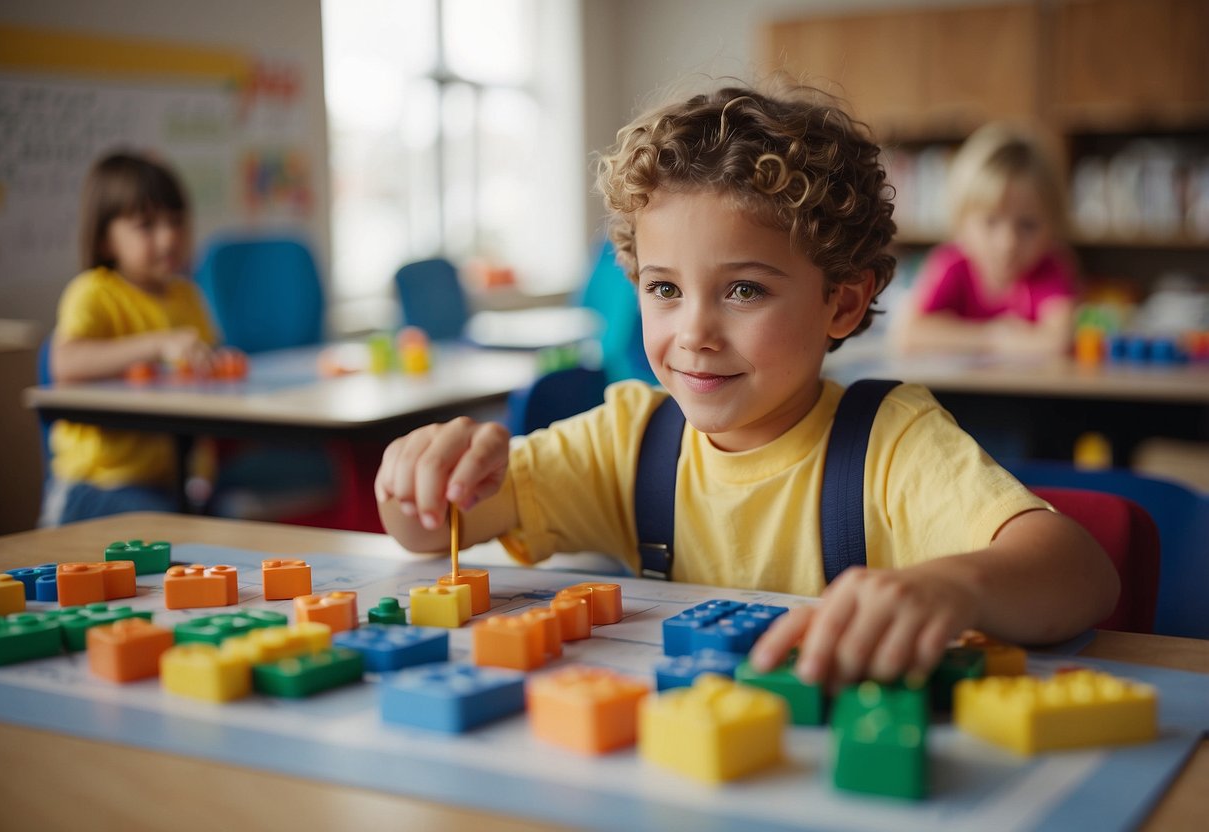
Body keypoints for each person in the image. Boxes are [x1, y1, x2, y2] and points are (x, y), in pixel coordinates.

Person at [375, 81, 1118, 688]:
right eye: (664, 289)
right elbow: (435, 529)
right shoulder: (626, 439)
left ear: (842, 302)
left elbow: (1081, 574)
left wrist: (955, 588)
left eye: (742, 292)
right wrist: (423, 478)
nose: (692, 332)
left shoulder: (889, 443)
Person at [41, 151, 217, 526]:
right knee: (177, 527)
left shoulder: (187, 296)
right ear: (106, 240)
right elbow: (64, 363)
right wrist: (158, 344)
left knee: (230, 525)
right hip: (95, 487)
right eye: (146, 225)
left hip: (175, 483)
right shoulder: (93, 292)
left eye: (176, 222)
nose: (168, 237)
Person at [892, 123, 1078, 356]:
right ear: (961, 222)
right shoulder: (950, 264)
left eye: (1028, 225)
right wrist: (996, 336)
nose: (1008, 243)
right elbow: (908, 333)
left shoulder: (1051, 268)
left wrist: (959, 336)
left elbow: (1058, 340)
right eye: (991, 221)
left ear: (1054, 226)